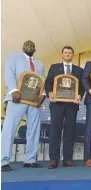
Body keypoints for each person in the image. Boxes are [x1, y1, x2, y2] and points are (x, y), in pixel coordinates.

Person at [1, 40, 46, 172]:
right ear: (23, 47)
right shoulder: (13, 58)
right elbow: (9, 74)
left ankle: (30, 160)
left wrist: (42, 96)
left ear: (35, 49)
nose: (30, 46)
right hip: (17, 99)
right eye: (27, 45)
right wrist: (14, 91)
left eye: (32, 45)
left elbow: (42, 81)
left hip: (34, 102)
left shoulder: (39, 64)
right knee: (9, 129)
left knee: (34, 130)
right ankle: (3, 161)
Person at [45, 46, 84, 169]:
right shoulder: (54, 67)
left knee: (69, 131)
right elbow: (48, 82)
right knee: (55, 131)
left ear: (73, 55)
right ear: (62, 54)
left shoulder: (79, 70)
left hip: (72, 105)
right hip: (57, 104)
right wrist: (50, 93)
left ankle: (68, 159)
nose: (67, 54)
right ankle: (53, 159)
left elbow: (82, 86)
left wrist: (80, 95)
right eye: (65, 52)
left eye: (70, 53)